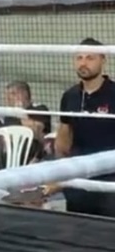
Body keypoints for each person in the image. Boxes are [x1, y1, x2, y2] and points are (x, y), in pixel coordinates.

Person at [48, 38, 115, 216]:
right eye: (79, 58)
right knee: (77, 231)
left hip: (109, 179)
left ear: (103, 59)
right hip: (79, 177)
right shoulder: (70, 96)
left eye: (90, 58)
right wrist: (61, 173)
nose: (83, 63)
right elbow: (64, 137)